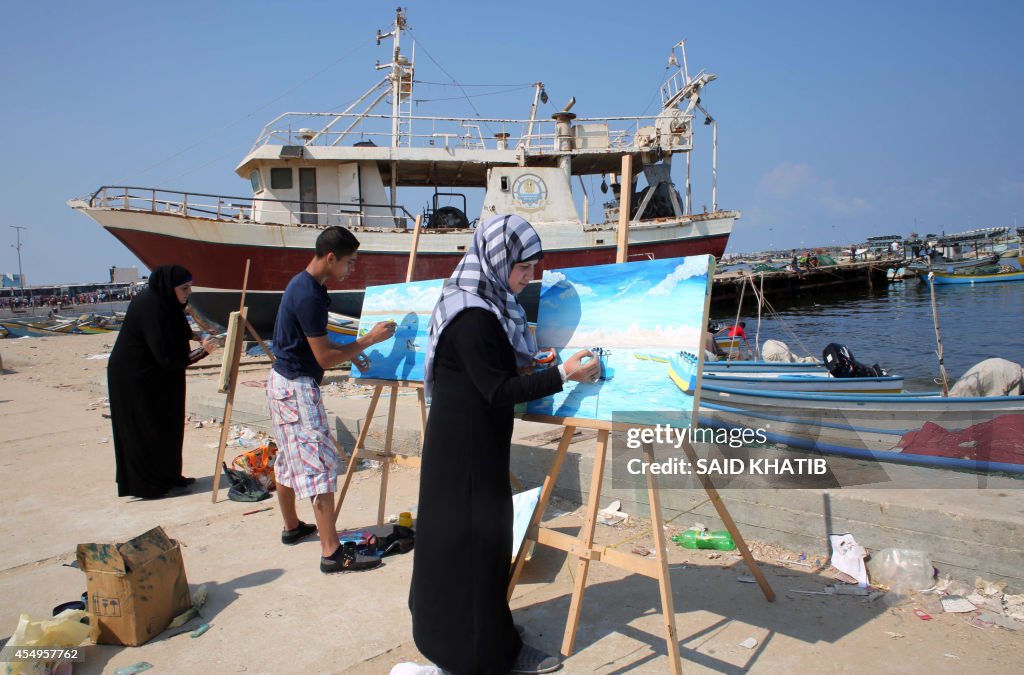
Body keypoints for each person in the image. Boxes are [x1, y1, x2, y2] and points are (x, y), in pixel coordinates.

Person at [409, 214, 600, 675]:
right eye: (522, 268)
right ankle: (489, 655)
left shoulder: (473, 300)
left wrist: (533, 369)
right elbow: (495, 391)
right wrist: (562, 375)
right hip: (469, 455)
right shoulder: (474, 316)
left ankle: (459, 639)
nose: (528, 278)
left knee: (459, 548)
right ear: (499, 260)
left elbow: (487, 377)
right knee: (481, 548)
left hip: (460, 447)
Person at [267, 225, 397, 574]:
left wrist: (350, 353)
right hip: (296, 387)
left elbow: (315, 345)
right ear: (330, 257)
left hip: (282, 382)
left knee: (290, 458)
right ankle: (332, 553)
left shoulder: (306, 285)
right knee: (319, 464)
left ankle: (292, 527)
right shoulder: (308, 295)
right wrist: (367, 340)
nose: (350, 269)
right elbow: (322, 358)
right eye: (349, 263)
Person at [107, 265, 218, 499]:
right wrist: (203, 351)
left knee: (168, 424)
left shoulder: (166, 303)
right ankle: (150, 485)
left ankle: (169, 476)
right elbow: (166, 357)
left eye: (190, 287)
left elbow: (178, 329)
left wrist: (199, 335)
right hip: (137, 378)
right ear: (169, 287)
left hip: (159, 378)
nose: (189, 292)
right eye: (184, 288)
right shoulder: (151, 306)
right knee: (147, 429)